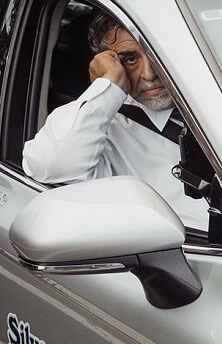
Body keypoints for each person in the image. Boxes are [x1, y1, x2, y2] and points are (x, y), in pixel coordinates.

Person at [22, 12, 209, 229]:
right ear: (110, 62)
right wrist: (108, 85)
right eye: (130, 59)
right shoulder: (99, 132)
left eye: (159, 54)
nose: (149, 74)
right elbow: (49, 164)